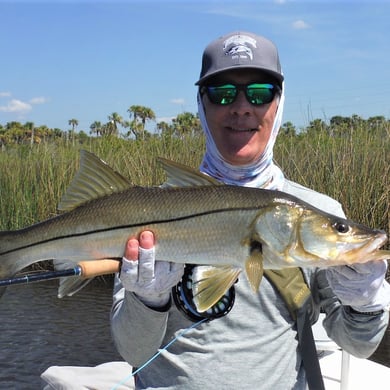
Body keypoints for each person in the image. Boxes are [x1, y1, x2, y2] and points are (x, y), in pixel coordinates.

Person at [111, 31, 390, 389]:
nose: (241, 107)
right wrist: (147, 299)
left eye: (259, 93)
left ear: (279, 104)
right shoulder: (150, 211)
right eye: (222, 93)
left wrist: (364, 304)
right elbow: (133, 351)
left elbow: (357, 346)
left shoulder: (320, 209)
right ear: (202, 104)